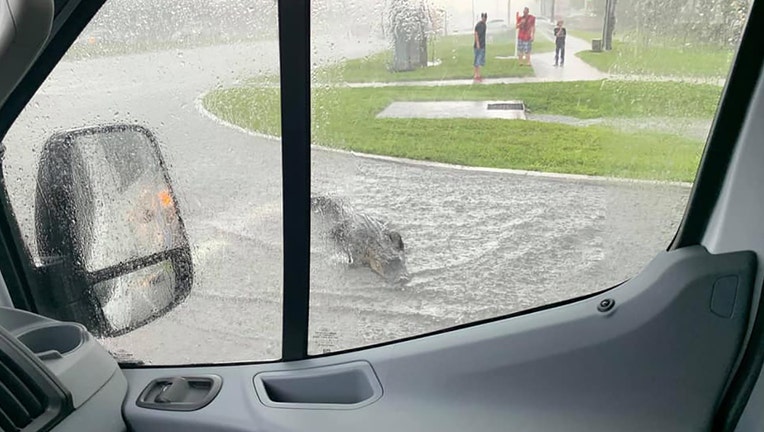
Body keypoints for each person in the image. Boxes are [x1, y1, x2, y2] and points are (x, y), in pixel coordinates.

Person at [473, 13, 487, 81]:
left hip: (483, 45)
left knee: (480, 60)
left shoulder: (484, 25)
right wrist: (478, 43)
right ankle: (476, 75)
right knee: (477, 60)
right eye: (484, 17)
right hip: (478, 46)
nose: (484, 19)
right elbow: (476, 34)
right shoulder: (479, 25)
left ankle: (478, 74)